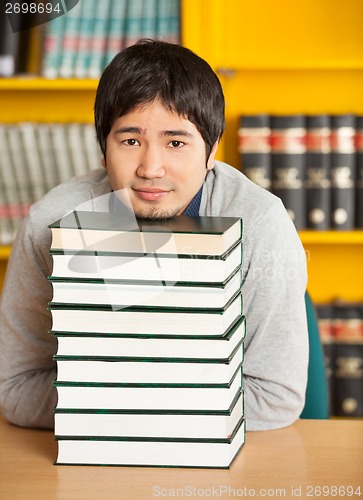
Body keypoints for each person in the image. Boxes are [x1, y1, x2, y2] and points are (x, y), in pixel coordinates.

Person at [0, 39, 308, 431]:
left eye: (176, 142)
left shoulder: (258, 222)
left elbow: (274, 397)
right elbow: (16, 387)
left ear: (212, 151)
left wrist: (109, 397)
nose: (151, 168)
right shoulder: (54, 221)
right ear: (102, 149)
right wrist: (162, 399)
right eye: (130, 141)